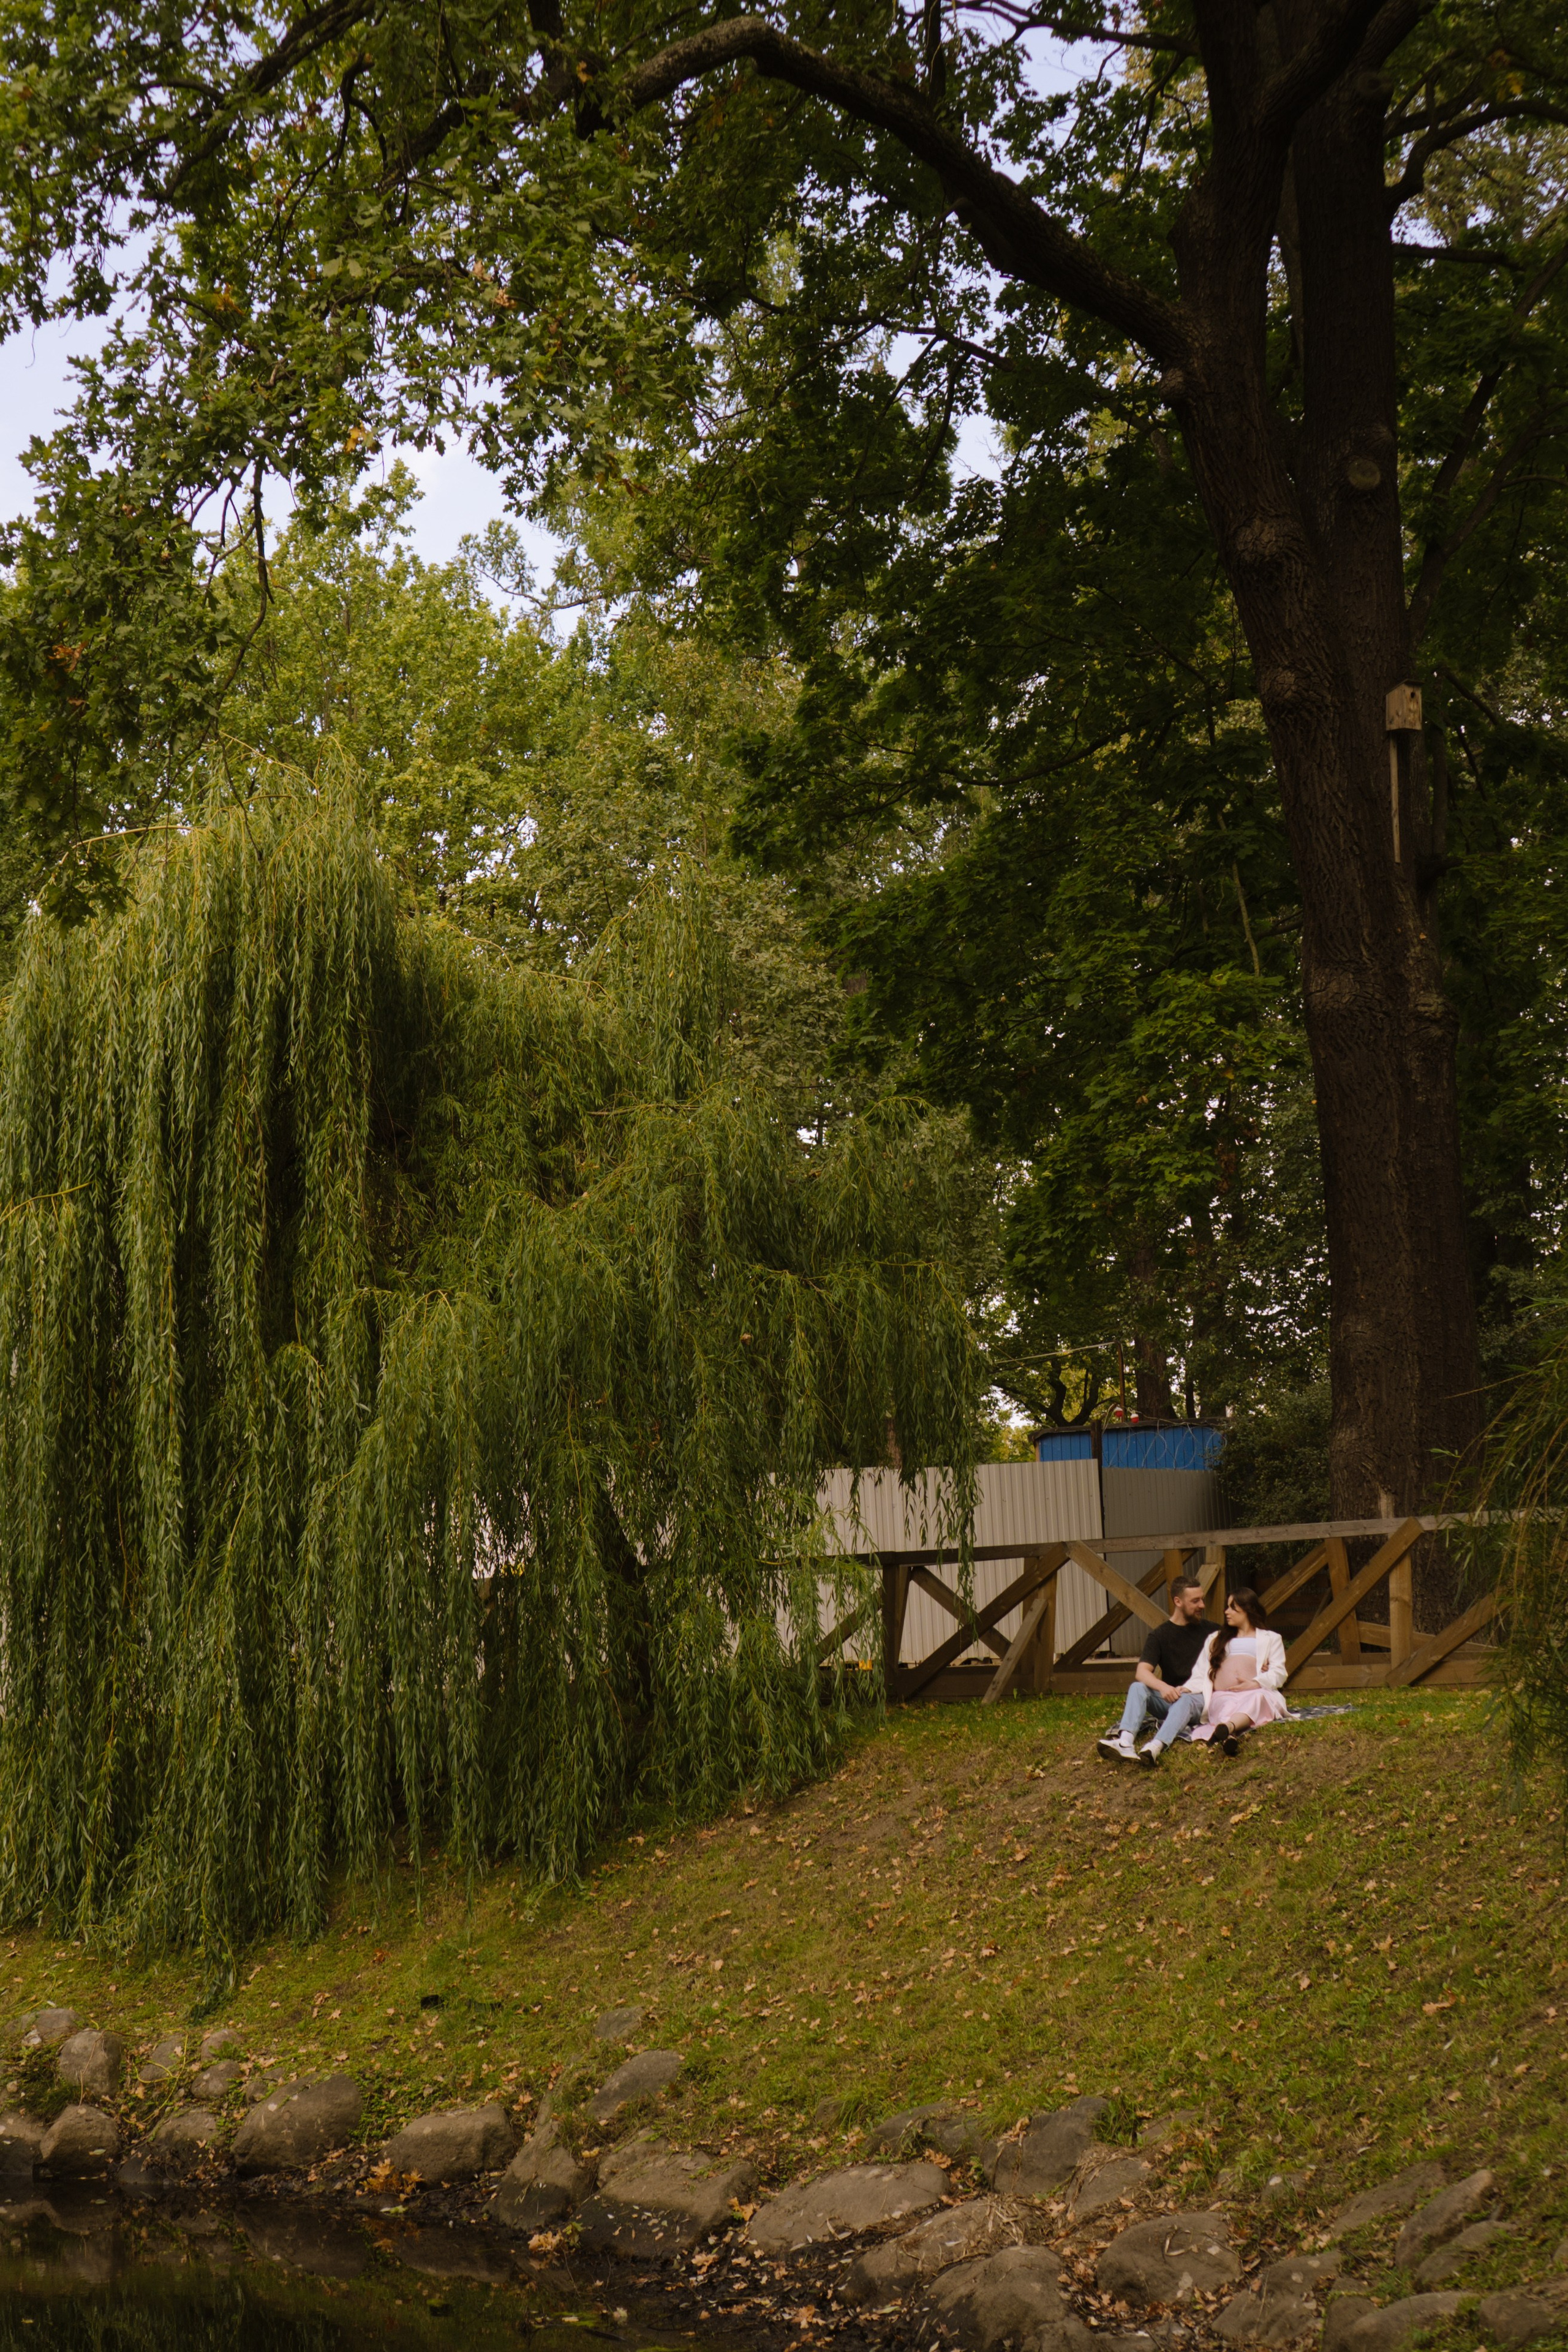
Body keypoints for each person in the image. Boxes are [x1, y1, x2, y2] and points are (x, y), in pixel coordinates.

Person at [1096, 1568, 1214, 1768]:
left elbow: (1243, 1645)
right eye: (1195, 1601)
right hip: (1171, 1700)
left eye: (1202, 1600)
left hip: (1201, 1699)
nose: (1202, 1605)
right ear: (1178, 1602)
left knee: (1185, 1699)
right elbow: (1142, 1672)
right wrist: (1163, 1687)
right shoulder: (1160, 1635)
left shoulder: (1213, 1631)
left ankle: (1157, 1745)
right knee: (1137, 1687)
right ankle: (1125, 1742)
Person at [1186, 1588, 1288, 1755]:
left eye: (1233, 1608)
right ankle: (1229, 1734)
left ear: (1247, 1610)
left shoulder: (1271, 1638)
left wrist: (1255, 1683)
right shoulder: (1216, 1638)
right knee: (1225, 1705)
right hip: (1224, 1693)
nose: (1227, 1612)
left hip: (1255, 1691)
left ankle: (1228, 1729)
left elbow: (1279, 1672)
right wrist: (1188, 1688)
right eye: (1227, 1607)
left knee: (1258, 1699)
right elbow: (1201, 1670)